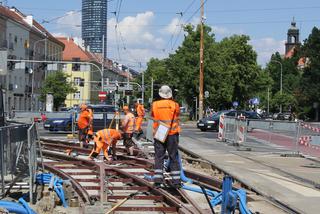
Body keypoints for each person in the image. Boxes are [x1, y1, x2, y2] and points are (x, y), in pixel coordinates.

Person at [151, 85, 181, 188]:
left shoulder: (154, 104)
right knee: (173, 156)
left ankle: (158, 181)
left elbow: (153, 115)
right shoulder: (175, 105)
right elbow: (177, 114)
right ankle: (176, 181)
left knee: (159, 156)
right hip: (172, 133)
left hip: (160, 131)